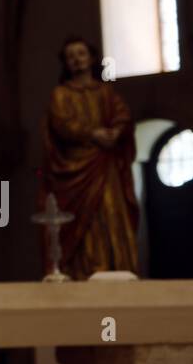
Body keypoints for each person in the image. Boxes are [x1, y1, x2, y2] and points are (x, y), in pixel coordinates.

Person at [42, 35, 140, 280]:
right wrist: (93, 133)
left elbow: (122, 115)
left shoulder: (105, 93)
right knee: (82, 221)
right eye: (71, 56)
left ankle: (117, 265)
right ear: (65, 62)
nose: (77, 59)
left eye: (81, 53)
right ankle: (85, 269)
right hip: (76, 169)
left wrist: (115, 132)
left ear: (92, 57)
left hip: (105, 167)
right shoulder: (61, 94)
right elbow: (62, 123)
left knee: (111, 212)